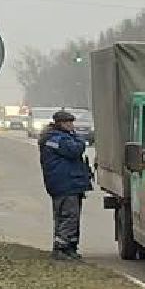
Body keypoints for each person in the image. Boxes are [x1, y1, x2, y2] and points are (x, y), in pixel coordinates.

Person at [39, 110, 91, 261]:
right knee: (69, 216)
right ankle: (61, 248)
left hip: (69, 183)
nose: (71, 125)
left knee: (69, 217)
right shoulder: (55, 139)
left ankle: (70, 247)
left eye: (71, 122)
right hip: (65, 183)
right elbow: (74, 150)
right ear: (59, 123)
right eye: (68, 122)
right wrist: (80, 140)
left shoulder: (58, 137)